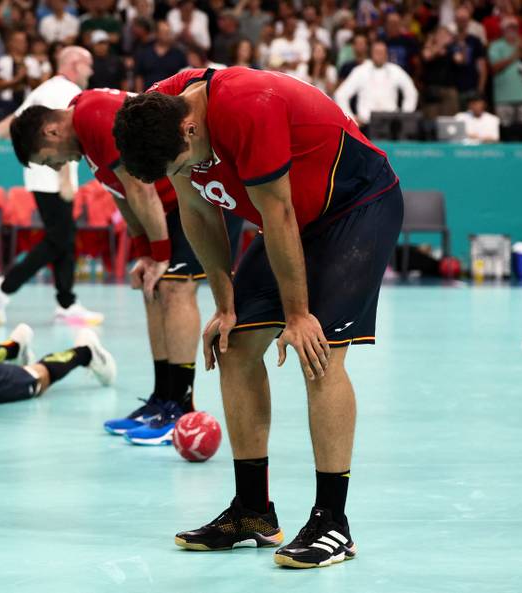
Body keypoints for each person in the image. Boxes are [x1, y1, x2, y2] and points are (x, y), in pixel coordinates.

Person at [113, 66, 404, 568]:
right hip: (293, 215)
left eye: (180, 164)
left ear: (190, 129)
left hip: (356, 206)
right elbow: (199, 213)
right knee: (235, 345)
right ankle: (253, 511)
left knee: (319, 354)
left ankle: (333, 523)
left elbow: (280, 216)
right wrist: (225, 307)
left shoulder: (250, 105)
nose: (181, 174)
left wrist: (297, 316)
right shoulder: (161, 111)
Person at [9, 88, 242, 445]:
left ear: (51, 132)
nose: (56, 167)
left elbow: (142, 191)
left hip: (203, 192)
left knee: (176, 284)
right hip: (173, 205)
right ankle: (162, 399)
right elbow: (122, 196)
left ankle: (181, 404)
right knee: (153, 288)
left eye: (48, 160)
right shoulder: (85, 136)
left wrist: (161, 252)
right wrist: (145, 253)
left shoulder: (94, 114)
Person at [0, 46, 103, 327]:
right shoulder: (63, 91)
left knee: (65, 239)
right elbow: (62, 133)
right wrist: (66, 178)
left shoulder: (46, 88)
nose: (91, 71)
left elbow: (14, 121)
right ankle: (4, 287)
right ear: (76, 64)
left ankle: (66, 303)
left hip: (46, 175)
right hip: (52, 175)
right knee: (59, 239)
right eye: (88, 65)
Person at [334, 40, 418, 126]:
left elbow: (411, 92)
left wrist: (404, 116)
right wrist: (351, 119)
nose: (379, 55)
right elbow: (340, 95)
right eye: (377, 52)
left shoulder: (396, 70)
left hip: (391, 124)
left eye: (382, 52)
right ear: (371, 54)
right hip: (366, 124)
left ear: (386, 54)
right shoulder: (360, 71)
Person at [488, 16, 522, 127]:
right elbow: (495, 68)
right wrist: (514, 56)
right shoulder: (496, 46)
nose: (512, 30)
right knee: (506, 133)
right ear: (503, 29)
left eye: (515, 27)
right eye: (509, 27)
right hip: (503, 98)